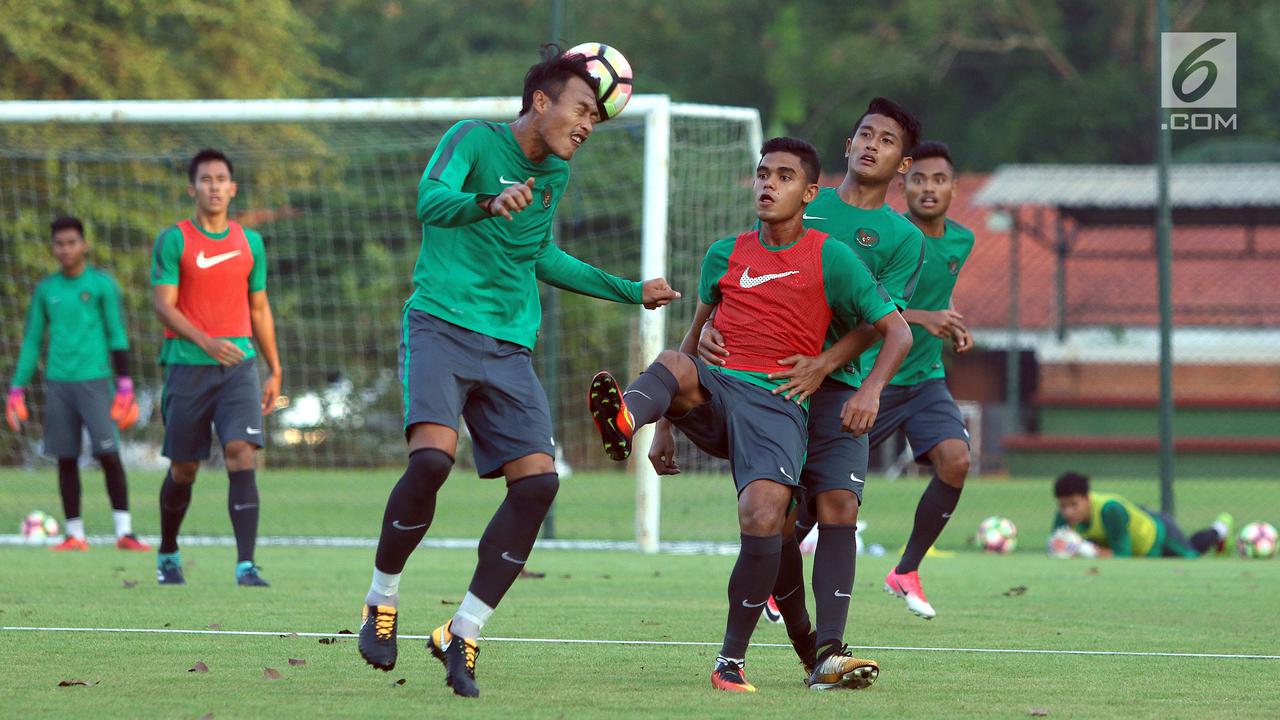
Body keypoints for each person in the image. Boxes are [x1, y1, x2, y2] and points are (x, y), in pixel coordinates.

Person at [356, 45, 679, 699]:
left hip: (507, 348)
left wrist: (627, 290)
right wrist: (487, 200)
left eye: (597, 118)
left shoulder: (555, 177)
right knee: (431, 463)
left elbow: (541, 256)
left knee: (537, 487)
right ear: (541, 102)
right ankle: (381, 598)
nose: (588, 126)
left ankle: (462, 632)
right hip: (441, 325)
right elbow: (430, 199)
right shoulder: (471, 139)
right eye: (583, 110)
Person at [591, 137, 911, 692]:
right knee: (669, 359)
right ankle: (626, 421)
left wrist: (870, 392)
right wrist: (664, 424)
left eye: (784, 176)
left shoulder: (831, 255)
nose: (768, 184)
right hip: (720, 393)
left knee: (768, 518)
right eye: (763, 174)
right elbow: (692, 343)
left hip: (777, 404)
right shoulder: (724, 253)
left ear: (809, 192)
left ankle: (754, 660)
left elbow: (896, 330)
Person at [691, 98, 925, 664]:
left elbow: (882, 323)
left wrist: (834, 368)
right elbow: (744, 284)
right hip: (768, 387)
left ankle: (832, 648)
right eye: (864, 133)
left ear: (902, 164)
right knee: (782, 520)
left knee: (840, 504)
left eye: (887, 140)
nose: (872, 144)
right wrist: (704, 336)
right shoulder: (797, 200)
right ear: (847, 146)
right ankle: (802, 636)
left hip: (839, 388)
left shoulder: (903, 239)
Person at [150, 148, 283, 588]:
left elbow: (259, 308)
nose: (213, 186)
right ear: (193, 188)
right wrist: (205, 340)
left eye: (220, 179)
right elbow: (163, 306)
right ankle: (168, 551)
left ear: (232, 188)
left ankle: (246, 565)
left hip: (239, 368)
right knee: (184, 468)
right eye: (205, 179)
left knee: (240, 453)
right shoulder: (175, 240)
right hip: (187, 368)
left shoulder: (250, 242)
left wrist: (274, 368)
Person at [863, 141, 975, 619]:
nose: (929, 188)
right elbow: (865, 299)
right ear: (902, 185)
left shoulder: (962, 241)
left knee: (956, 461)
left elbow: (933, 296)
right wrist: (927, 317)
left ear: (953, 187)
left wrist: (948, 324)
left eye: (939, 180)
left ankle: (906, 570)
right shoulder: (887, 235)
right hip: (874, 377)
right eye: (919, 180)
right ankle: (775, 575)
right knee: (820, 482)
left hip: (926, 378)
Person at [6, 216, 147, 552]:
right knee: (66, 457)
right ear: (53, 247)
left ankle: (124, 533)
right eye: (59, 243)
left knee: (108, 454)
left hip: (96, 381)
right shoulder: (46, 290)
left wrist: (125, 383)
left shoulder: (101, 285)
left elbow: (116, 332)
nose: (66, 249)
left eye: (72, 242)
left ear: (83, 244)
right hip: (58, 383)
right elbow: (31, 341)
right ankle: (75, 534)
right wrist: (16, 387)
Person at [1053, 472, 1232, 558]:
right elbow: (1055, 544)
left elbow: (1123, 554)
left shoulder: (1110, 510)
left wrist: (1088, 551)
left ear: (1086, 497)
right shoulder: (1064, 515)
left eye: (1074, 505)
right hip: (1143, 542)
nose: (1068, 511)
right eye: (1063, 506)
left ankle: (1220, 528)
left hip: (1159, 534)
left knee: (1191, 554)